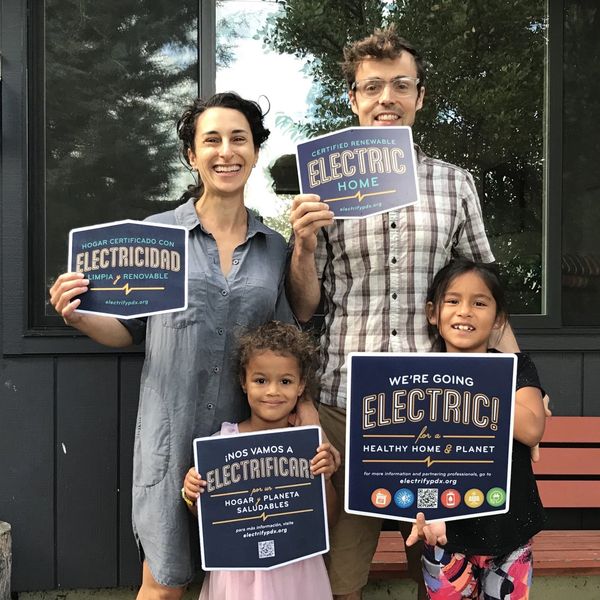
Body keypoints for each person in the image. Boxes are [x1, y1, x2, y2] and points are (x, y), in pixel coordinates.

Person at [49, 92, 318, 600]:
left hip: (247, 447)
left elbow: (288, 342)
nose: (226, 151)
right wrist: (79, 315)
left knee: (239, 582)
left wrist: (306, 427)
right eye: (210, 139)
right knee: (166, 584)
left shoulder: (274, 247)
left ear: (256, 152)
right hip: (170, 444)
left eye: (239, 139)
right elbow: (126, 331)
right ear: (192, 156)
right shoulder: (156, 237)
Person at [286, 25, 519, 600]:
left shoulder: (454, 184)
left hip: (436, 403)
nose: (385, 98)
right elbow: (304, 306)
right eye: (372, 87)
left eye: (399, 85)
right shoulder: (324, 187)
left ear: (419, 96)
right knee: (341, 574)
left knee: (444, 570)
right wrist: (305, 246)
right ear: (354, 98)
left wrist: (523, 380)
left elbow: (486, 293)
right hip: (344, 398)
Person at [407, 258, 546, 599]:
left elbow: (530, 429)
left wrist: (467, 378)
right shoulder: (413, 377)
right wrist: (424, 510)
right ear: (432, 312)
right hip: (444, 530)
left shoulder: (516, 367)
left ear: (498, 318)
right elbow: (408, 457)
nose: (464, 311)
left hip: (509, 528)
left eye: (479, 303)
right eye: (452, 301)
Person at [182, 321, 337, 599]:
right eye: (261, 380)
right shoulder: (221, 442)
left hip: (296, 568)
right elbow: (212, 517)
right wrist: (192, 493)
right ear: (244, 382)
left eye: (285, 381)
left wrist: (323, 478)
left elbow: (329, 518)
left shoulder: (308, 446)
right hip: (238, 572)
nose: (273, 391)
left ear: (301, 386)